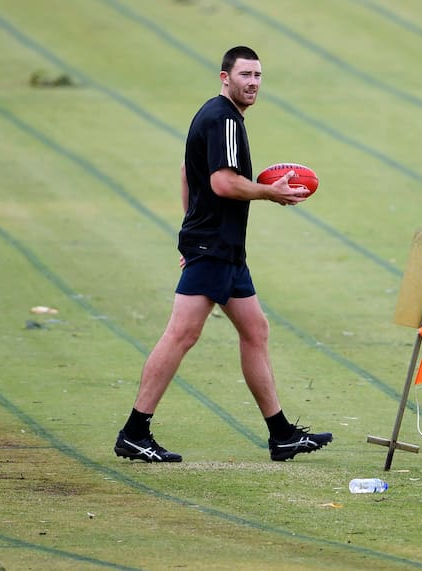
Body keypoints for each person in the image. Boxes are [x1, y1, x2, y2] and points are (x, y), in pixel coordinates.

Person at [114, 46, 332, 463]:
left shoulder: (221, 118)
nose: (252, 82)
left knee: (256, 330)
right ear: (224, 77)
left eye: (258, 76)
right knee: (181, 335)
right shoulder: (223, 118)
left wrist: (189, 230)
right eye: (245, 74)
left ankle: (281, 434)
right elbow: (223, 183)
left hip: (222, 248)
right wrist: (270, 191)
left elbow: (186, 172)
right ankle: (135, 432)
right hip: (213, 248)